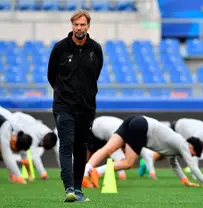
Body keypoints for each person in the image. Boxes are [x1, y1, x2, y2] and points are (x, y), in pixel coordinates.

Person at [47, 10, 103, 203]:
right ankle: (69, 188)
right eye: (76, 25)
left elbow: (95, 75)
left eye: (83, 25)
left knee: (80, 148)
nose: (79, 28)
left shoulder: (95, 49)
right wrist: (65, 94)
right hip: (64, 106)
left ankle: (78, 190)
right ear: (71, 26)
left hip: (86, 107)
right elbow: (51, 75)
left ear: (88, 26)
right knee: (67, 145)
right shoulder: (60, 48)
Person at [85, 115, 203, 188]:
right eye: (193, 154)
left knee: (107, 149)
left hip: (135, 120)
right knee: (128, 163)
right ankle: (96, 171)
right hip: (143, 126)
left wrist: (185, 181)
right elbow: (192, 166)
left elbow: (174, 165)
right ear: (191, 147)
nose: (191, 156)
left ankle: (84, 174)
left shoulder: (175, 149)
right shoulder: (183, 144)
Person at [138, 118, 203, 180]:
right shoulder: (200, 137)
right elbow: (193, 155)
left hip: (187, 130)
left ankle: (147, 160)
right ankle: (149, 158)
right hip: (179, 127)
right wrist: (195, 176)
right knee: (168, 152)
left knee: (166, 154)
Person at [82, 116, 127, 188]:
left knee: (98, 152)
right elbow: (116, 152)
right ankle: (85, 173)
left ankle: (90, 171)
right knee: (92, 151)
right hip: (95, 129)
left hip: (104, 127)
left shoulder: (125, 131)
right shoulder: (119, 134)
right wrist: (122, 173)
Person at [13, 111, 59, 180]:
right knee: (22, 152)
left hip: (26, 122)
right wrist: (43, 173)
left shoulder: (49, 133)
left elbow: (58, 151)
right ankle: (15, 174)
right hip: (15, 120)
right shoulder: (33, 137)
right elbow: (35, 156)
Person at [0, 114, 32, 184]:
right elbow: (7, 157)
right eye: (15, 149)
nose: (12, 150)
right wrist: (20, 177)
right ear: (15, 142)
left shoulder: (16, 131)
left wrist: (29, 175)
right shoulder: (5, 129)